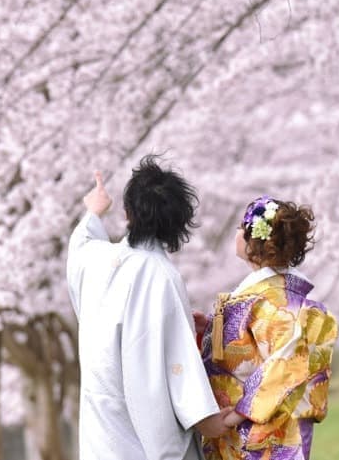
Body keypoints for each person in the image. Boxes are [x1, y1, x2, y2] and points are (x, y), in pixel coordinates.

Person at [67, 156, 232, 460]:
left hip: (100, 438)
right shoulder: (161, 276)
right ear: (178, 225)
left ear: (128, 212)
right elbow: (176, 363)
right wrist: (209, 422)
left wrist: (93, 210)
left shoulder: (96, 261)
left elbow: (79, 247)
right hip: (143, 442)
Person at [195, 195, 338, 460]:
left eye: (241, 228)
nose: (237, 232)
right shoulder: (268, 296)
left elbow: (284, 365)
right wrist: (210, 330)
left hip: (260, 427)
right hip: (247, 423)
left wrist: (239, 413)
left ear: (255, 243)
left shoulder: (274, 302)